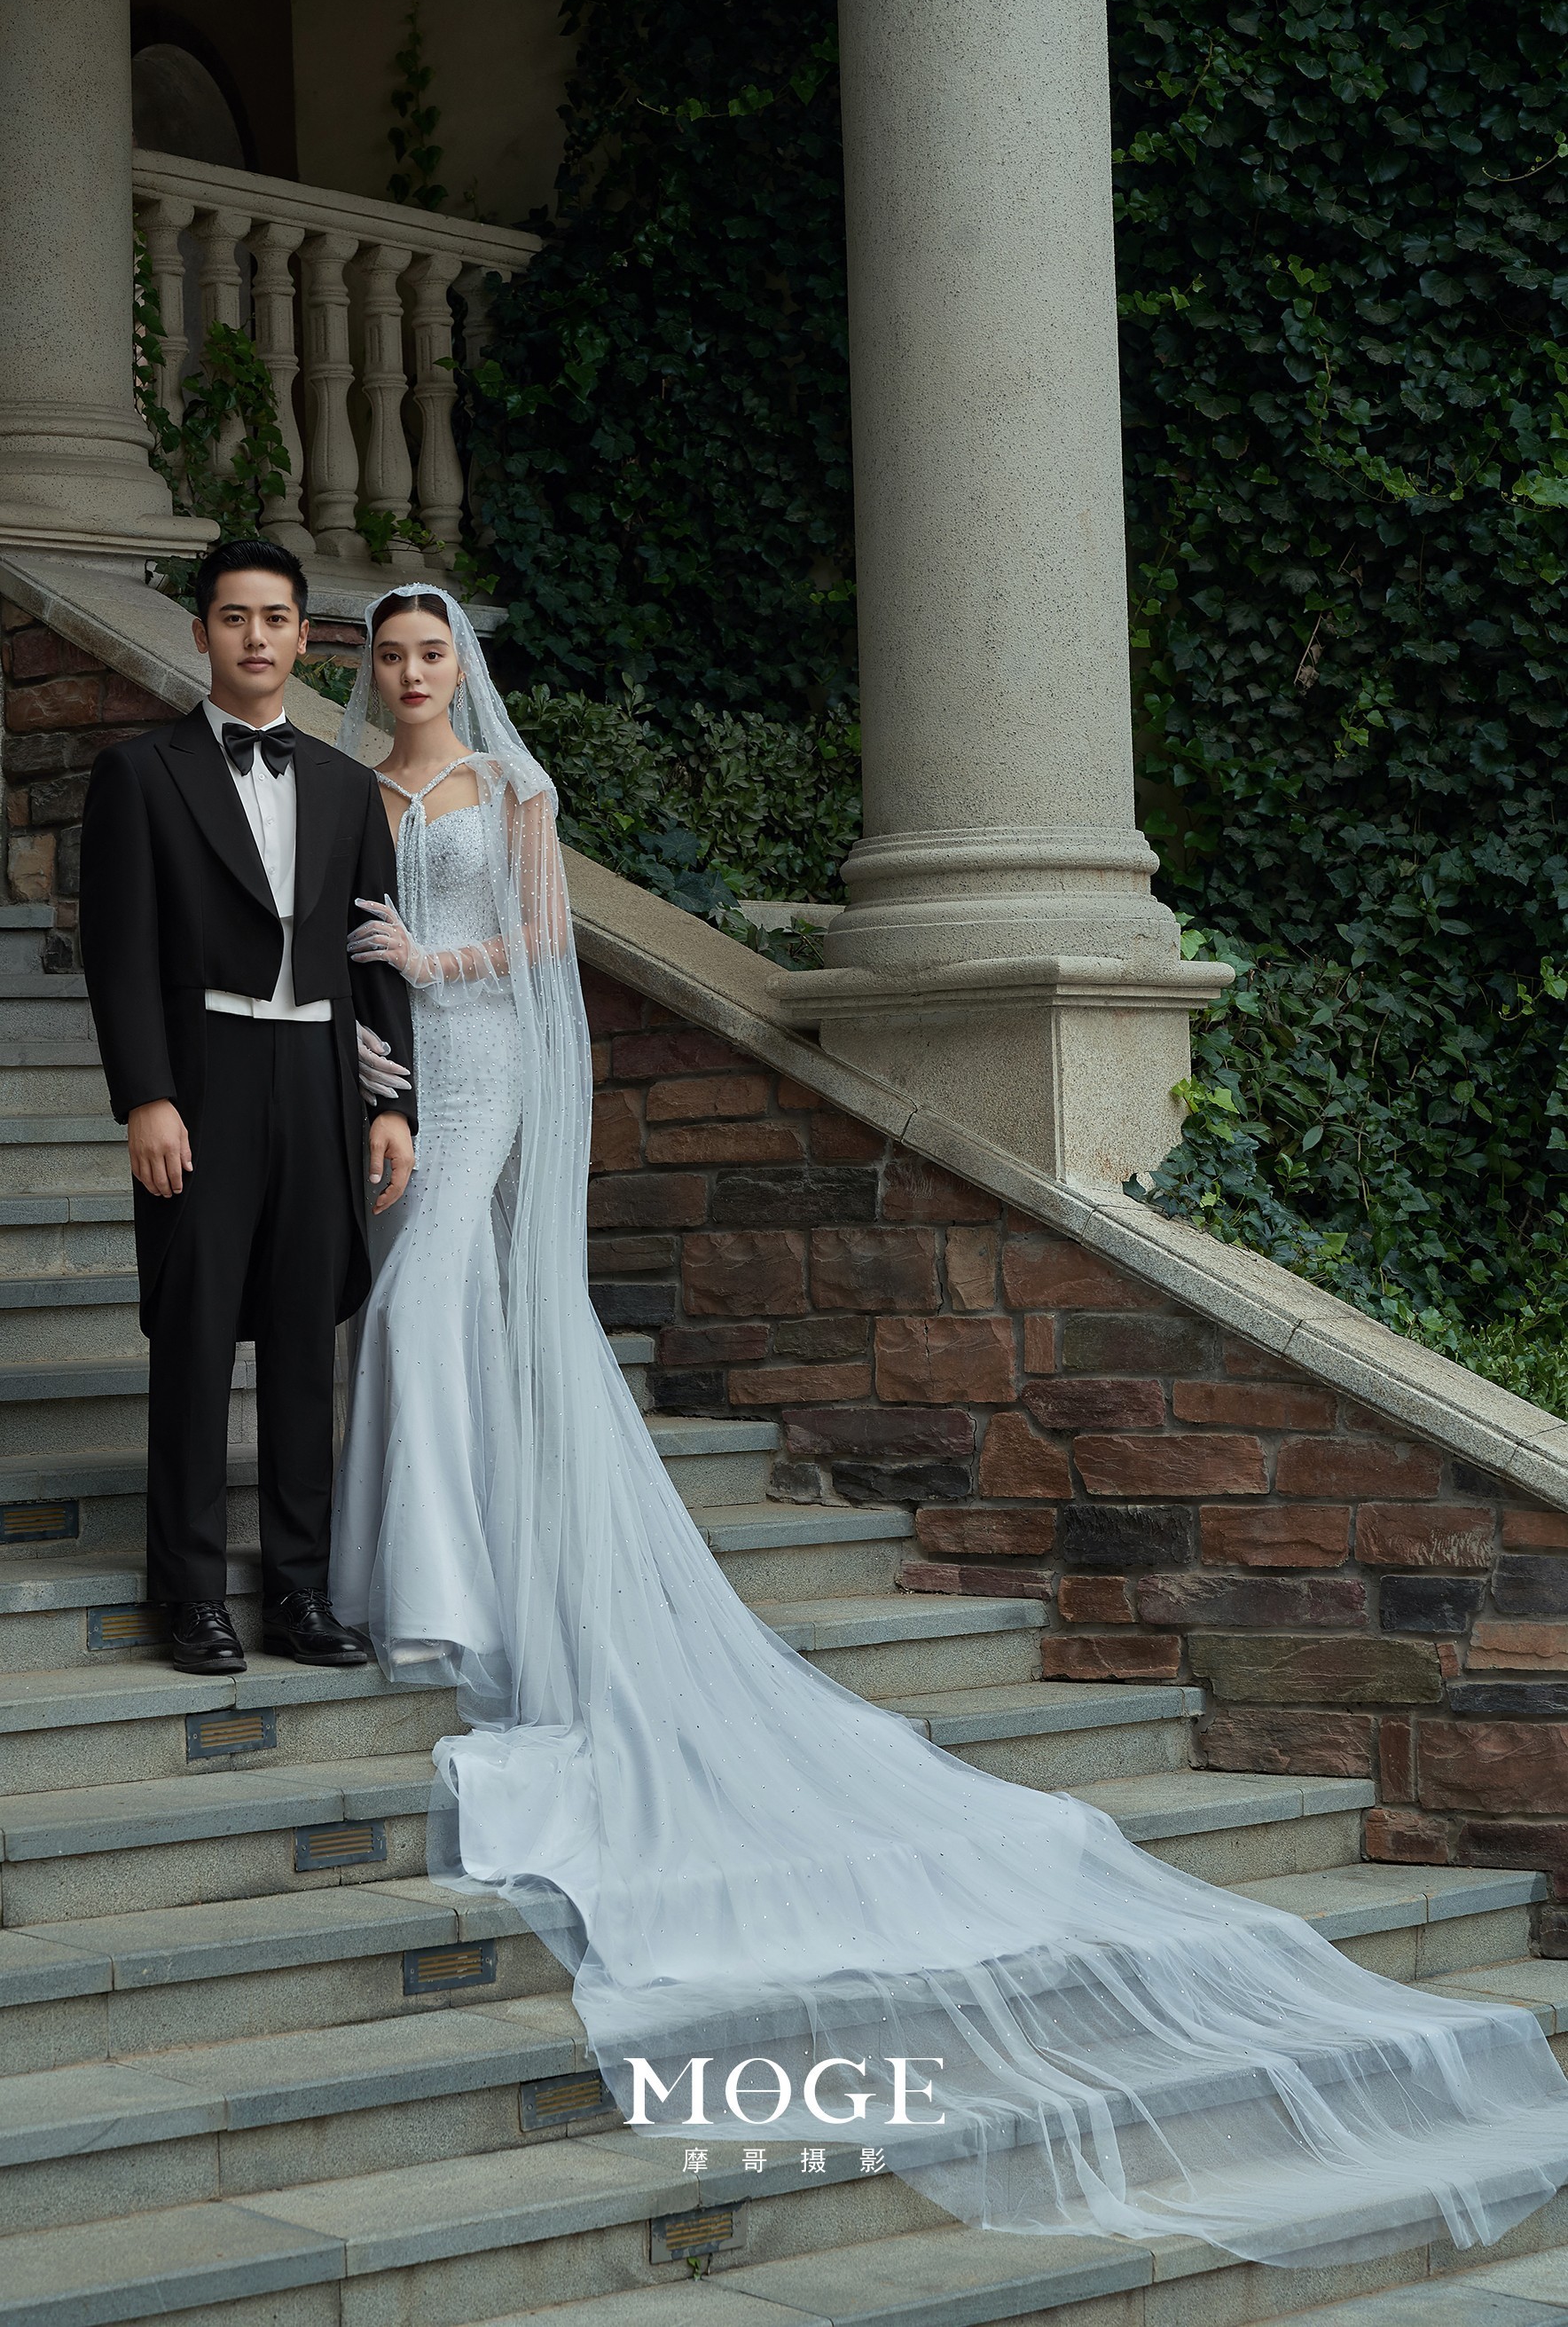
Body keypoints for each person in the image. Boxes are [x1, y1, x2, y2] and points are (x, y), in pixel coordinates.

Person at [333, 584, 1568, 2270]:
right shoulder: (358, 788)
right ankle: (438, 1560)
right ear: (368, 670)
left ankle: (447, 1589)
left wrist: (434, 963)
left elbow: (543, 946)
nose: (411, 673)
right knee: (420, 1308)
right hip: (401, 1083)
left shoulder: (509, 789)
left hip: (489, 1059)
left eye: (430, 654)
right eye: (391, 655)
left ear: (457, 668)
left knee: (439, 1309)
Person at [79, 539, 417, 1676]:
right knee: (193, 1334)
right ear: (202, 633)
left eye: (275, 617)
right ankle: (189, 1595)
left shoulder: (347, 786)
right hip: (203, 1076)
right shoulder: (140, 774)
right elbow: (119, 954)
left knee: (304, 1344)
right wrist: (147, 1095)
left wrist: (393, 1106)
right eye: (234, 617)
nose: (256, 636)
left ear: (304, 635)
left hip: (320, 1075)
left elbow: (375, 954)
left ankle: (298, 1592)